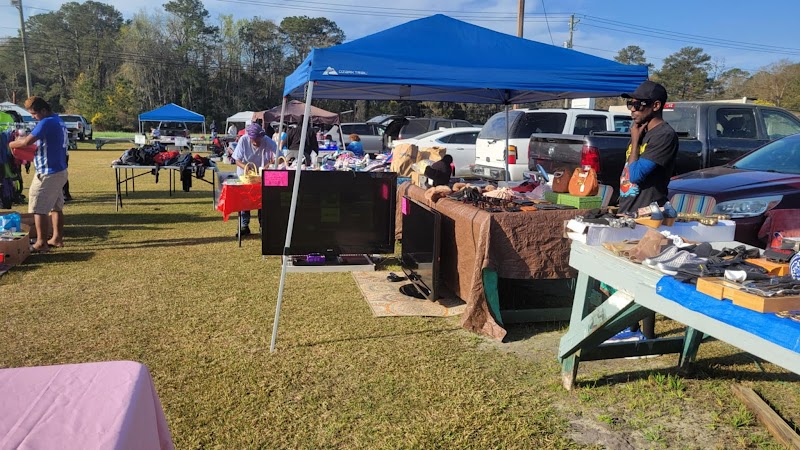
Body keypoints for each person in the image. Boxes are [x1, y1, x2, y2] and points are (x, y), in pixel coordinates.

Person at [616, 80, 679, 339]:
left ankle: (647, 336)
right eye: (630, 103)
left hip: (649, 212)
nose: (632, 109)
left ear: (656, 105)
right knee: (627, 272)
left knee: (644, 273)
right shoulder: (642, 130)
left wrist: (634, 138)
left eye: (638, 104)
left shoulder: (664, 135)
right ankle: (631, 328)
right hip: (629, 207)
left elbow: (638, 174)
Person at [9, 96, 68, 253]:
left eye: (35, 114)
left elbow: (26, 142)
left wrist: (11, 143)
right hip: (59, 170)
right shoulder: (57, 120)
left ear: (43, 110)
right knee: (56, 207)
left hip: (47, 172)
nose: (34, 117)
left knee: (38, 208)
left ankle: (41, 242)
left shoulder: (46, 122)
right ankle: (57, 238)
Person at [232, 123, 277, 237]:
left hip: (261, 175)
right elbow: (237, 160)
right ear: (250, 138)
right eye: (254, 141)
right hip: (245, 175)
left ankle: (263, 226)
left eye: (258, 140)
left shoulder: (268, 141)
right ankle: (244, 226)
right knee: (245, 200)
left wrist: (268, 165)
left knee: (262, 200)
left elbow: (279, 157)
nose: (257, 143)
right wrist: (247, 168)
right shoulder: (243, 140)